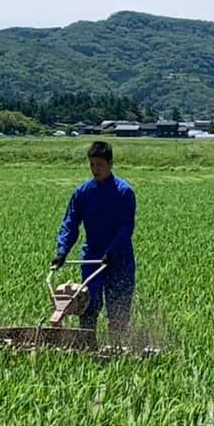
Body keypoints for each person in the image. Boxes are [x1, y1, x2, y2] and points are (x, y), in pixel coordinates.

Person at [53, 141, 136, 342]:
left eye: (100, 165)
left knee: (118, 311)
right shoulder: (83, 193)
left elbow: (126, 227)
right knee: (87, 307)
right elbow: (70, 223)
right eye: (92, 165)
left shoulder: (124, 192)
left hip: (119, 260)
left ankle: (117, 349)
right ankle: (86, 347)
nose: (95, 169)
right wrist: (62, 251)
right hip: (92, 259)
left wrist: (112, 251)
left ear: (110, 164)